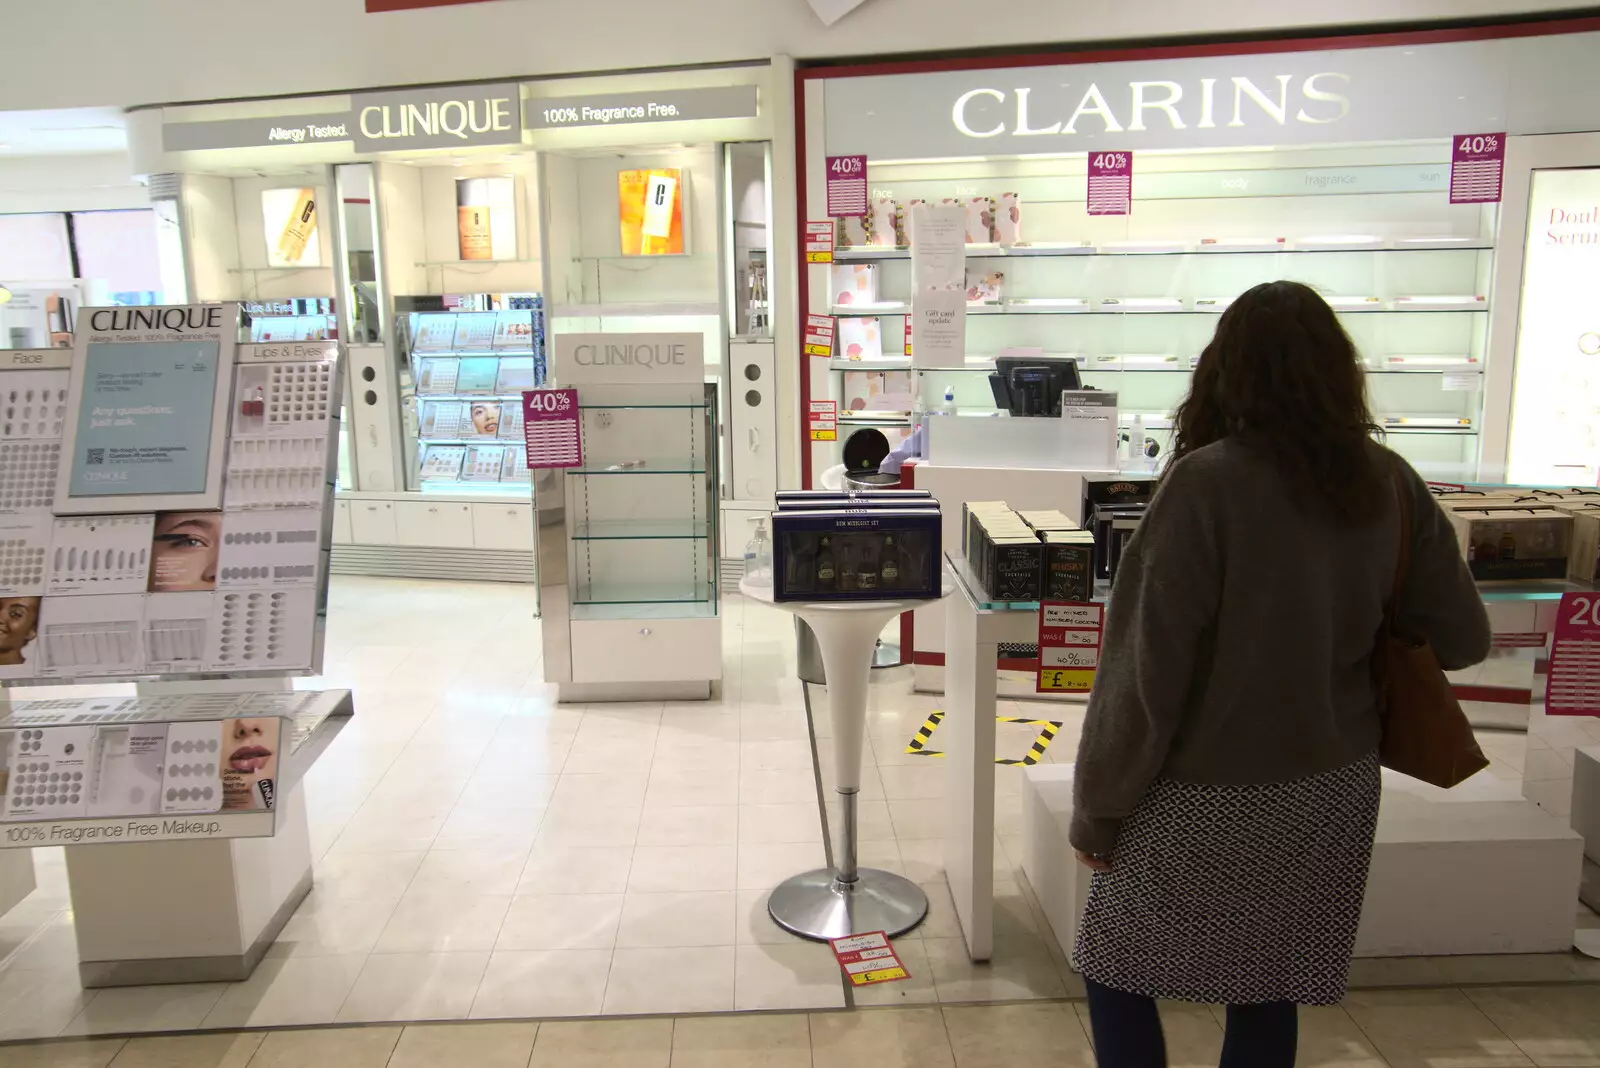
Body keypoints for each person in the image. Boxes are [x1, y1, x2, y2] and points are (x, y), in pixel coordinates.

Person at [1070, 280, 1491, 1068]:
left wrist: (1098, 811)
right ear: (1340, 371)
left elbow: (1143, 676)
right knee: (1268, 983)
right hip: (1332, 786)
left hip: (1201, 790)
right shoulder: (1388, 480)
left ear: (1222, 373)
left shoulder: (1202, 486)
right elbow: (1464, 636)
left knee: (1114, 966)